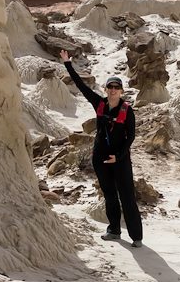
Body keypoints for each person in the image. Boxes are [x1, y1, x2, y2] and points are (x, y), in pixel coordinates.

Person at [59, 50, 143, 248]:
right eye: (110, 87)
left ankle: (137, 237)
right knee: (109, 195)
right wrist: (68, 64)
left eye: (116, 87)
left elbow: (130, 136)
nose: (113, 90)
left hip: (120, 159)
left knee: (127, 196)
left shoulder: (127, 110)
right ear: (105, 90)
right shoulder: (99, 103)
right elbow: (80, 85)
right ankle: (113, 230)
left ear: (121, 91)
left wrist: (119, 156)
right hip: (101, 158)